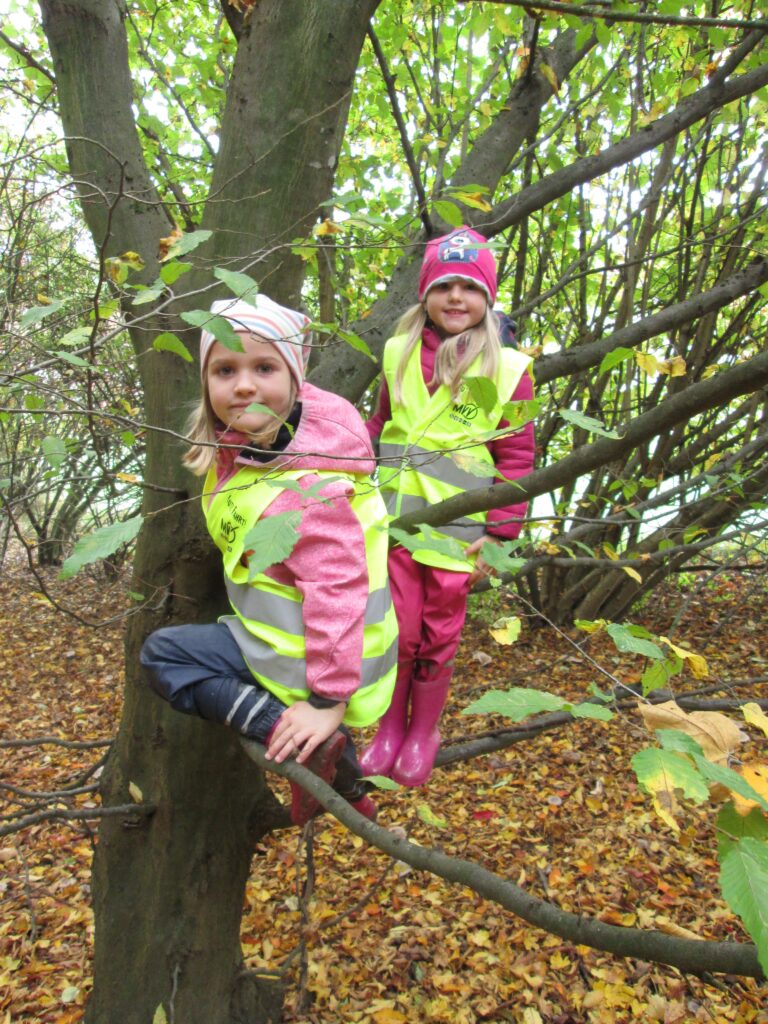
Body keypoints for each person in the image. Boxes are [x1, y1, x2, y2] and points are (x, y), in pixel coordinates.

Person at [141, 294, 398, 825]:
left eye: (264, 367)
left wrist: (325, 703)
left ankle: (285, 728)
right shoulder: (255, 448)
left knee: (165, 655)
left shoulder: (309, 487)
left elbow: (338, 591)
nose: (243, 385)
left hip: (318, 658)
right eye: (225, 369)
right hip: (295, 642)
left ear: (296, 379)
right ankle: (347, 784)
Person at [360, 227, 535, 787]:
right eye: (444, 285)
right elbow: (379, 424)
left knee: (438, 632)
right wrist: (343, 466)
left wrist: (503, 533)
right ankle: (389, 727)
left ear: (488, 297)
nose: (456, 297)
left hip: (460, 529)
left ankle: (423, 731)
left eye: (469, 287)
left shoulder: (507, 368)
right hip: (396, 523)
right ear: (425, 294)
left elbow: (516, 453)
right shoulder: (398, 352)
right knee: (397, 629)